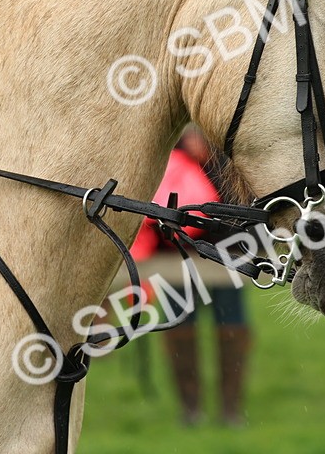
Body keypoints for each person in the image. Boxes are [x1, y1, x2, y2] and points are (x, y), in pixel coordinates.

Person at [130, 129, 252, 427]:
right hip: (177, 257)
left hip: (225, 255)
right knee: (180, 331)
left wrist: (214, 157)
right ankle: (191, 410)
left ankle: (230, 411)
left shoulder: (229, 156)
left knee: (232, 330)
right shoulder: (171, 151)